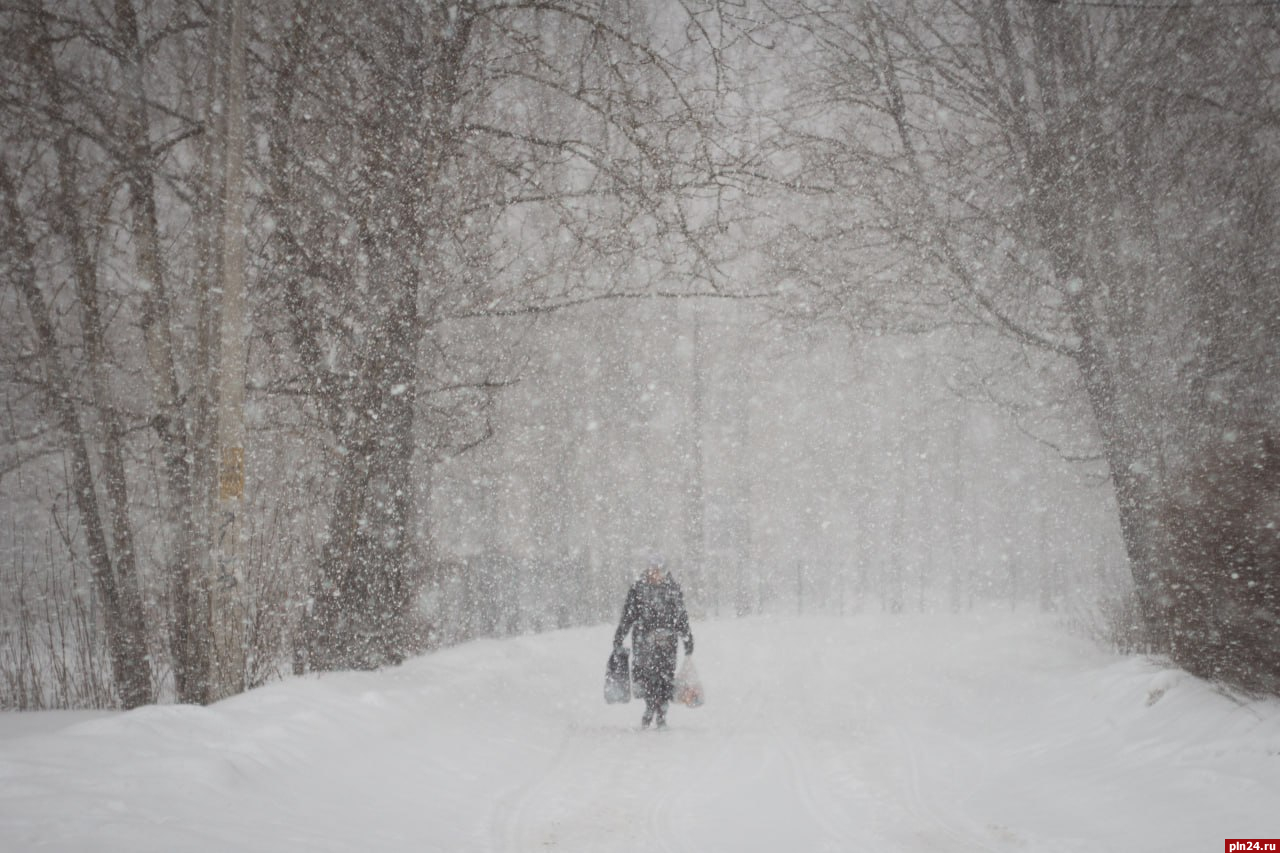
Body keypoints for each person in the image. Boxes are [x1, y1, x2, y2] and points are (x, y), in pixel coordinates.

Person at [612, 553, 694, 728]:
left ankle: (662, 712)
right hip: (644, 641)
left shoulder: (672, 589)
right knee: (646, 676)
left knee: (665, 677)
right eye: (652, 570)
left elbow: (681, 617)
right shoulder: (638, 589)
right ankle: (650, 707)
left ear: (664, 571)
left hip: (667, 642)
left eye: (658, 570)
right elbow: (628, 615)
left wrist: (687, 637)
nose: (655, 574)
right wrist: (620, 635)